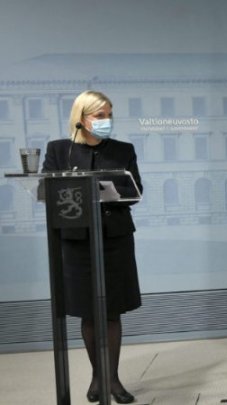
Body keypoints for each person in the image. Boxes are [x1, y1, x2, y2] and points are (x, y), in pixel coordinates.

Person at [42, 90, 142, 403]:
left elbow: (134, 190)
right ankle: (97, 377)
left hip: (113, 240)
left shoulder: (123, 150)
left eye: (109, 115)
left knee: (111, 311)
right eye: (99, 116)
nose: (106, 121)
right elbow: (46, 188)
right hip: (76, 241)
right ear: (82, 118)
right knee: (88, 312)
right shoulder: (60, 150)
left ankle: (112, 380)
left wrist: (105, 190)